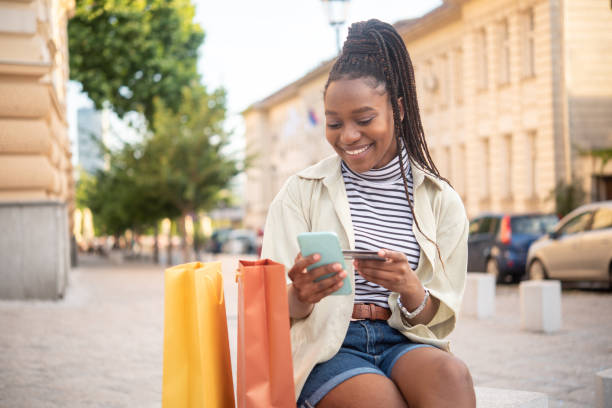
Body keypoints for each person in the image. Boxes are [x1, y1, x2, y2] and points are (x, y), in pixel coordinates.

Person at [261, 19, 475, 408]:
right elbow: (268, 309)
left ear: (398, 109)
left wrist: (410, 288)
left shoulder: (440, 200)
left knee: (452, 375)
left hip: (404, 341)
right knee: (377, 401)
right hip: (328, 346)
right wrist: (301, 295)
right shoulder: (300, 193)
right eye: (334, 123)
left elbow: (441, 318)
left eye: (364, 120)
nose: (348, 136)